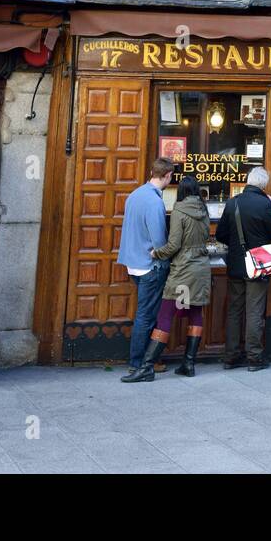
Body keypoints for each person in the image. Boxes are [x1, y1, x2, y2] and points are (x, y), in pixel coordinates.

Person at [123, 176, 214, 383]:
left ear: (180, 191)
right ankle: (188, 364)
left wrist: (157, 253)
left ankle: (146, 367)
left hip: (183, 270)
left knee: (165, 314)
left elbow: (173, 245)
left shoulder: (179, 210)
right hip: (200, 269)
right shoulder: (204, 209)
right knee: (194, 313)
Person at [216, 166, 271, 371]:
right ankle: (254, 358)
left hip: (236, 264)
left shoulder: (232, 202)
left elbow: (220, 235)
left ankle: (231, 356)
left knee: (235, 311)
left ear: (248, 181)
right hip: (258, 265)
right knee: (254, 311)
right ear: (263, 185)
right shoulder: (265, 204)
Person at [118, 157, 174, 381]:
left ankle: (143, 362)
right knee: (146, 316)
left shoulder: (135, 195)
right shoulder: (154, 202)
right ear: (168, 175)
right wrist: (164, 257)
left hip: (133, 262)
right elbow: (159, 239)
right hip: (149, 265)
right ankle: (138, 364)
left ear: (152, 171)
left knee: (144, 314)